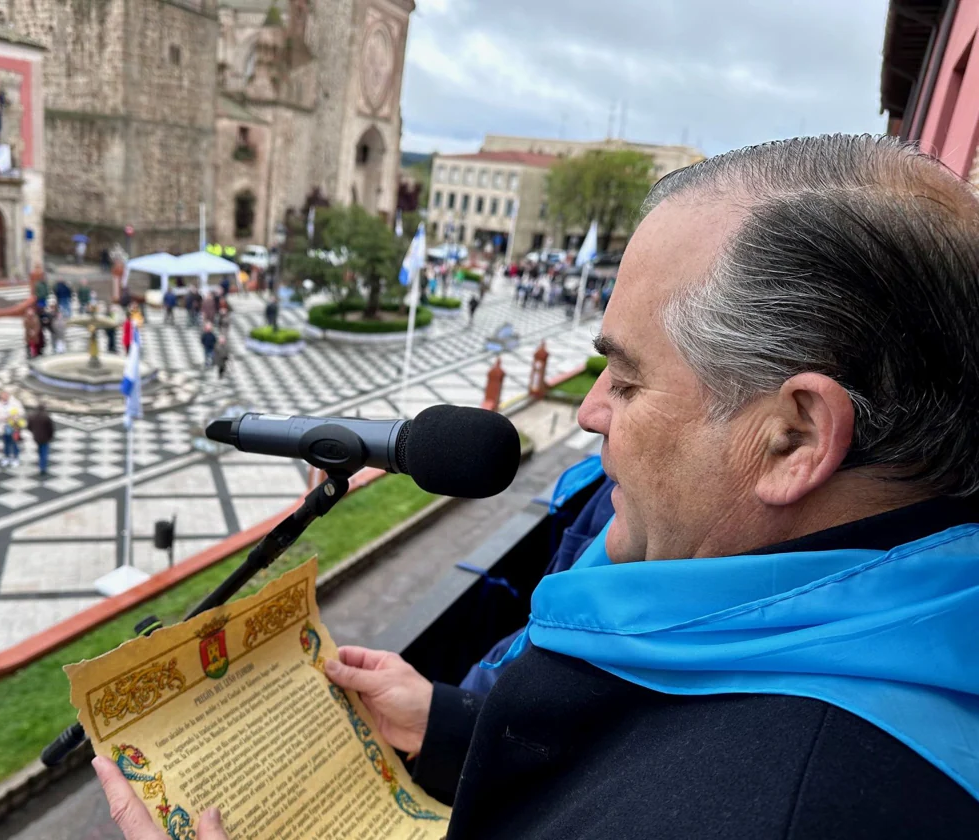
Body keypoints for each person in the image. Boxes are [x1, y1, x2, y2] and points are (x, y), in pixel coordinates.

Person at [102, 136, 979, 840]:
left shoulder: (797, 804)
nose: (591, 411)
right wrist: (450, 729)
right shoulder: (817, 611)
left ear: (793, 439)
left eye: (628, 381)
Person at [0, 390, 25, 468]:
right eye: (3, 395)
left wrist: (15, 416)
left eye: (6, 395)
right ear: (1, 396)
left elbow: (21, 412)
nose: (5, 397)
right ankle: (7, 457)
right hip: (3, 427)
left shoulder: (15, 403)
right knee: (5, 443)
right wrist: (1, 418)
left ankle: (15, 458)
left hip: (13, 427)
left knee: (14, 443)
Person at [26, 403, 55, 476]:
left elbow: (28, 427)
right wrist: (51, 436)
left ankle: (40, 462)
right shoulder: (46, 417)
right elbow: (51, 429)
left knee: (40, 450)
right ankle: (43, 468)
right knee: (44, 452)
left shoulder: (31, 416)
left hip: (36, 437)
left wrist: (33, 432)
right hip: (45, 438)